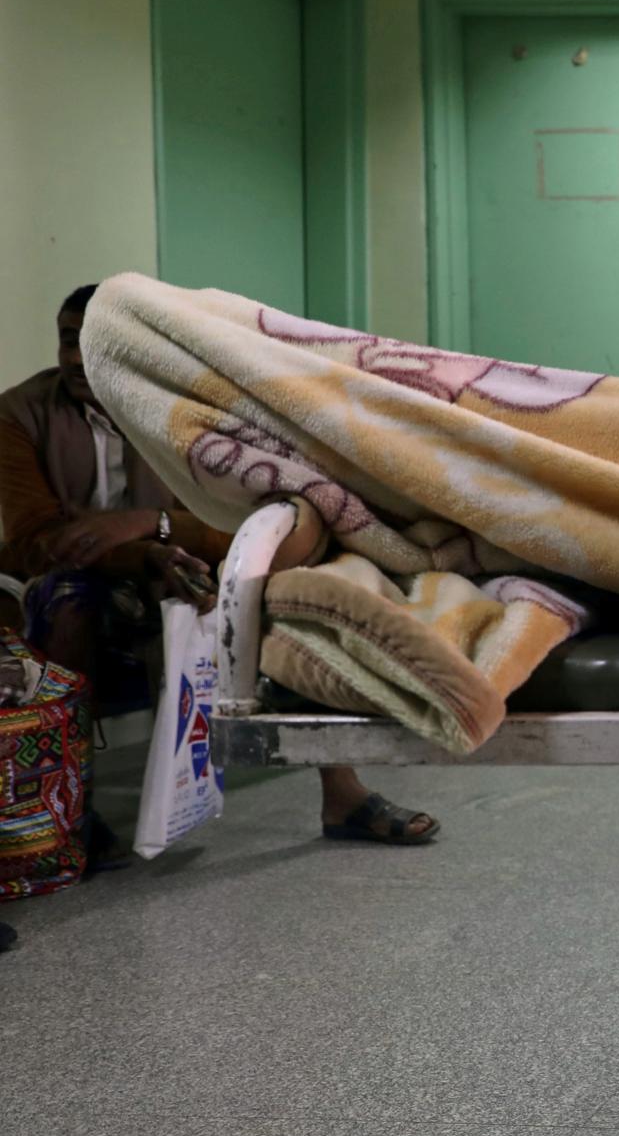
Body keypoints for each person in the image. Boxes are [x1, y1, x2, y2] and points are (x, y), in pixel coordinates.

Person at [0, 285, 439, 849]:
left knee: (289, 593)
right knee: (67, 601)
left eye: (96, 342)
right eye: (69, 342)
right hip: (85, 576)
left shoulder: (186, 407)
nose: (80, 359)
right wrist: (145, 552)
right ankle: (69, 811)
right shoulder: (18, 415)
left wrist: (151, 524)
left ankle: (344, 794)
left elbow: (254, 521)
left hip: (187, 565)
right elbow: (36, 541)